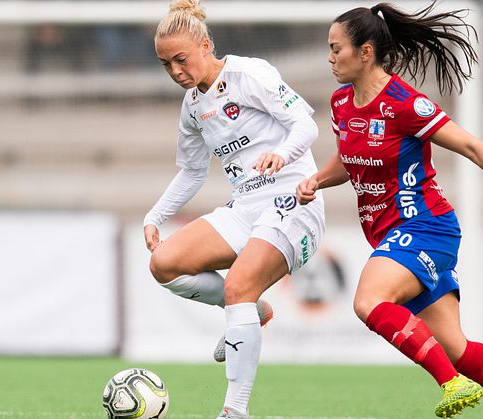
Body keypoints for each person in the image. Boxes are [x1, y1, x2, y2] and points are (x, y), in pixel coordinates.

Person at [296, 3, 483, 418]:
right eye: (328, 48)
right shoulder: (342, 103)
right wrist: (317, 181)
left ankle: (450, 384)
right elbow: (349, 158)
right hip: (390, 233)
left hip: (426, 226)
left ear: (365, 53)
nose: (329, 57)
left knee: (369, 301)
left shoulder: (404, 103)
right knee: (458, 351)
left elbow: (471, 145)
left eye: (336, 48)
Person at [144, 0, 325, 417]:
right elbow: (191, 172)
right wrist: (155, 217)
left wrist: (282, 154)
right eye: (165, 63)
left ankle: (234, 411)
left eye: (181, 59)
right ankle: (250, 311)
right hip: (246, 207)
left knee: (238, 286)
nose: (175, 71)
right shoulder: (192, 106)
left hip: (293, 201)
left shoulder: (250, 74)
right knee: (163, 264)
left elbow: (306, 125)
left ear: (205, 45)